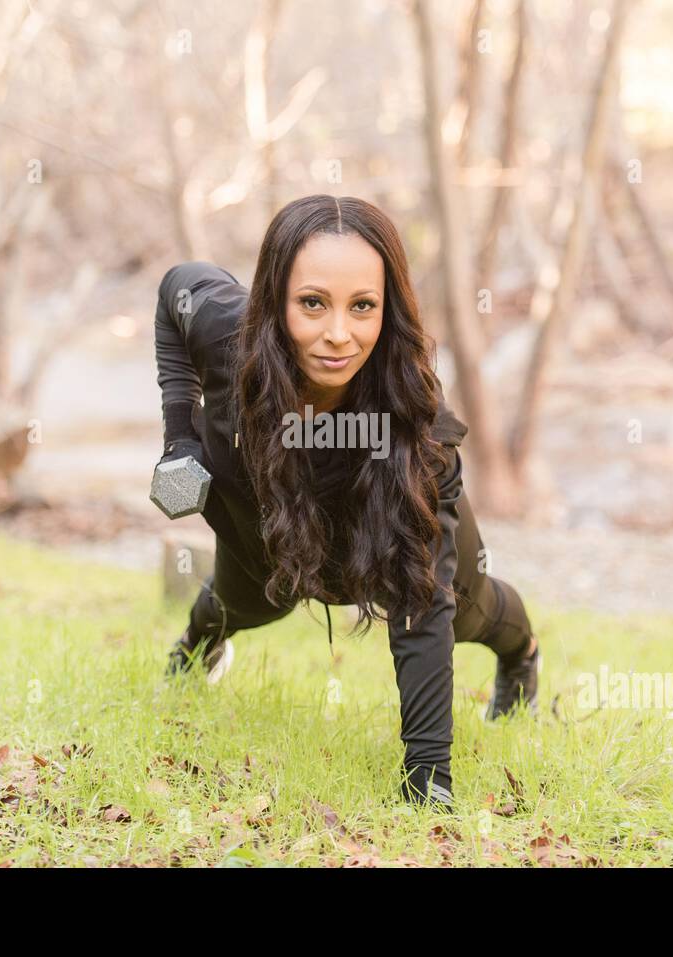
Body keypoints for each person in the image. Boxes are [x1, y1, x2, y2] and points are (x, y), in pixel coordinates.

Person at [153, 194, 539, 810]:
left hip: (381, 529)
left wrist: (429, 780)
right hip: (273, 521)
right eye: (312, 303)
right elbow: (174, 288)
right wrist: (179, 439)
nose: (338, 334)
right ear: (274, 300)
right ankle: (195, 651)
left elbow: (421, 610)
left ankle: (524, 656)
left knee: (472, 609)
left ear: (390, 311)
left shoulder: (418, 439)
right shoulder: (227, 331)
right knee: (244, 599)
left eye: (363, 307)